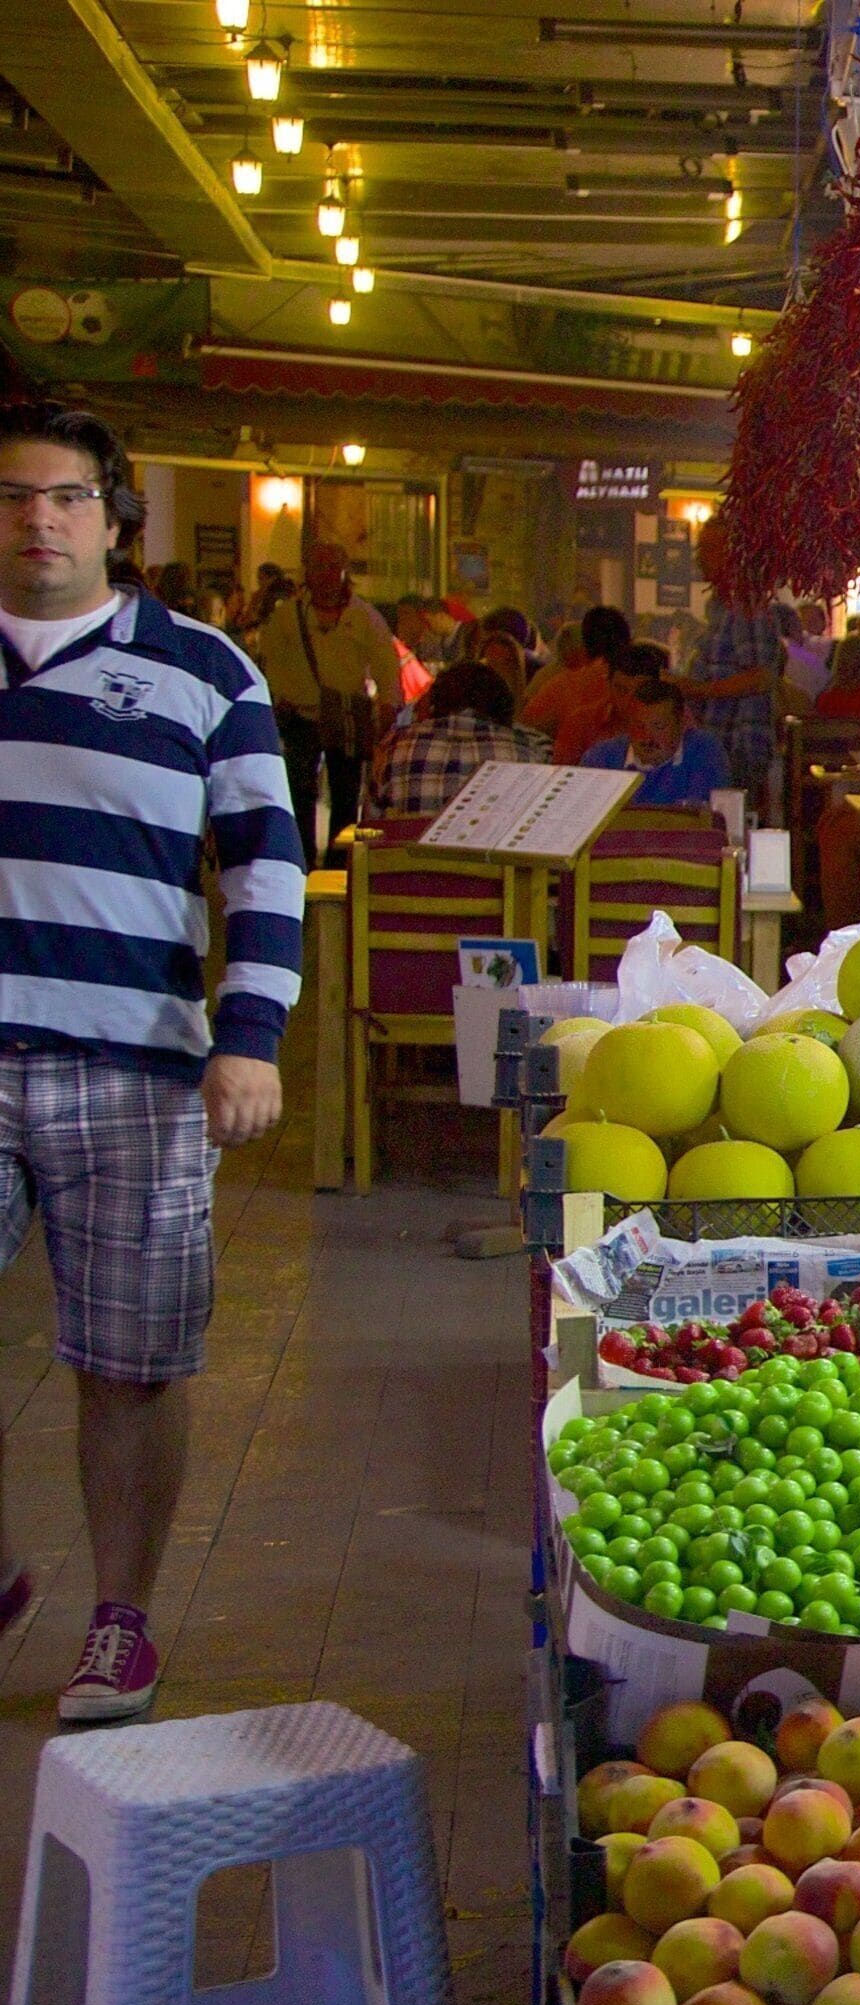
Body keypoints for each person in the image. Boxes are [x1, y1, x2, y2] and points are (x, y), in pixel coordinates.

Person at [0, 401, 302, 1721]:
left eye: (67, 497)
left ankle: (118, 1621)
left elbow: (267, 864)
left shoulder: (203, 671)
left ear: (115, 521)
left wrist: (251, 1036)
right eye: (14, 496)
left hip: (135, 1065)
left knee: (129, 1364)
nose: (38, 519)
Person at [248, 541, 394, 851]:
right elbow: (271, 660)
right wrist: (279, 698)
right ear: (308, 573)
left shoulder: (365, 617)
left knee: (345, 795)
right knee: (299, 793)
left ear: (344, 572)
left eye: (333, 567)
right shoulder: (288, 616)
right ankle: (302, 857)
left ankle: (340, 861)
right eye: (319, 567)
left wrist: (388, 705)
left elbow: (385, 664)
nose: (326, 575)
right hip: (300, 716)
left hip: (345, 717)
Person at [677, 537, 783, 817]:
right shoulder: (725, 607)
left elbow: (760, 677)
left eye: (708, 547)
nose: (699, 556)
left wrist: (696, 688)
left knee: (729, 824)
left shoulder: (747, 605)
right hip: (722, 740)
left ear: (733, 554)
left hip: (738, 743)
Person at [366, 659, 548, 820]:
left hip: (408, 848)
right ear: (504, 708)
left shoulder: (396, 747)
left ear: (435, 702)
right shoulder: (529, 755)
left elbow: (372, 824)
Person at [583, 677, 730, 807]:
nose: (647, 737)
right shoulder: (600, 759)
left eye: (658, 727)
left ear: (682, 724)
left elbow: (700, 818)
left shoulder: (704, 751)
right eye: (639, 726)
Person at [528, 604, 636, 763]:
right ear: (629, 640)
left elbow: (525, 730)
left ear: (584, 645)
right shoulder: (653, 683)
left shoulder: (562, 686)